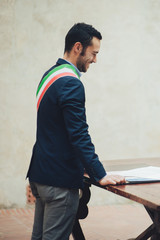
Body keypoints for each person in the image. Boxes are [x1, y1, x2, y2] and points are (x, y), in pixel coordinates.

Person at [26, 23, 125, 240]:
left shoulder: (49, 75)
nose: (95, 60)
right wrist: (100, 174)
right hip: (59, 180)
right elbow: (79, 135)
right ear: (78, 47)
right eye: (94, 53)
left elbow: (53, 130)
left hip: (40, 173)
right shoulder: (71, 83)